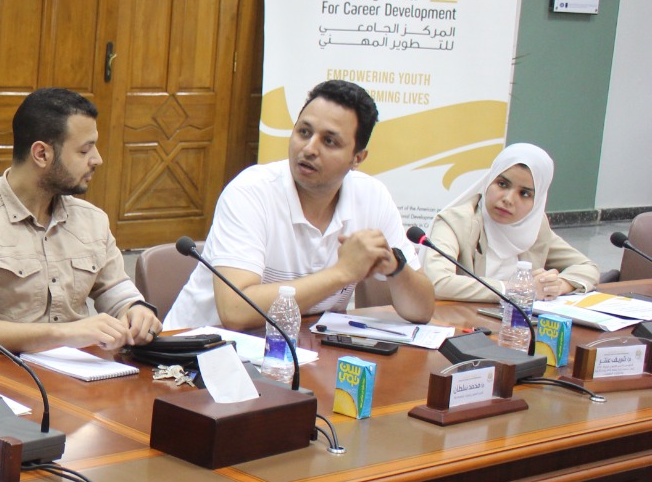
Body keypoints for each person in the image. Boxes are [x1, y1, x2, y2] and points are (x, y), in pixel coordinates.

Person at [164, 79, 435, 331]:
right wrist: (343, 272)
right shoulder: (250, 192)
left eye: (329, 141)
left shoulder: (372, 197)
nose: (308, 149)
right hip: (198, 352)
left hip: (299, 352)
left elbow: (422, 311)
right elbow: (235, 311)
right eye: (304, 132)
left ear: (357, 158)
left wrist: (396, 268)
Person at [0, 88, 161, 354]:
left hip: (81, 372)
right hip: (6, 370)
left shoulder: (92, 220)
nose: (97, 159)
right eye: (84, 150)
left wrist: (138, 312)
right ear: (41, 154)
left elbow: (120, 296)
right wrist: (64, 334)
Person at [424, 143, 598, 301]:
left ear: (537, 202)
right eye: (502, 184)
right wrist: (516, 290)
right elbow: (438, 282)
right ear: (489, 180)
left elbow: (587, 267)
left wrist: (559, 285)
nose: (508, 199)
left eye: (524, 194)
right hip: (459, 320)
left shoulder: (534, 228)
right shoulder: (456, 222)